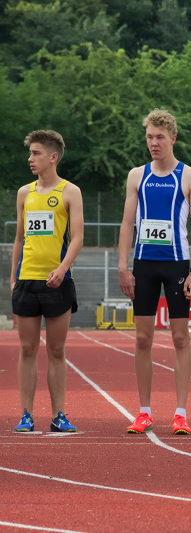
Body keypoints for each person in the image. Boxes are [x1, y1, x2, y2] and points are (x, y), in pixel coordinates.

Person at [118, 109, 191, 435]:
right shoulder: (136, 175)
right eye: (150, 137)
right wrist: (123, 267)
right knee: (142, 338)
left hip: (178, 264)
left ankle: (180, 413)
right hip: (144, 264)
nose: (154, 143)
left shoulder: (190, 176)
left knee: (181, 338)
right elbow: (127, 223)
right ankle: (144, 412)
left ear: (173, 138)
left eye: (159, 137)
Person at [10, 130, 84, 433]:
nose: (30, 158)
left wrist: (62, 268)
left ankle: (58, 415)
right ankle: (26, 414)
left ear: (53, 157)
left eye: (36, 153)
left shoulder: (70, 192)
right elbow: (18, 238)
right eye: (30, 153)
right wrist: (12, 278)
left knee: (56, 350)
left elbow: (78, 237)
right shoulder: (24, 193)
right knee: (27, 349)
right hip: (27, 280)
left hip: (58, 282)